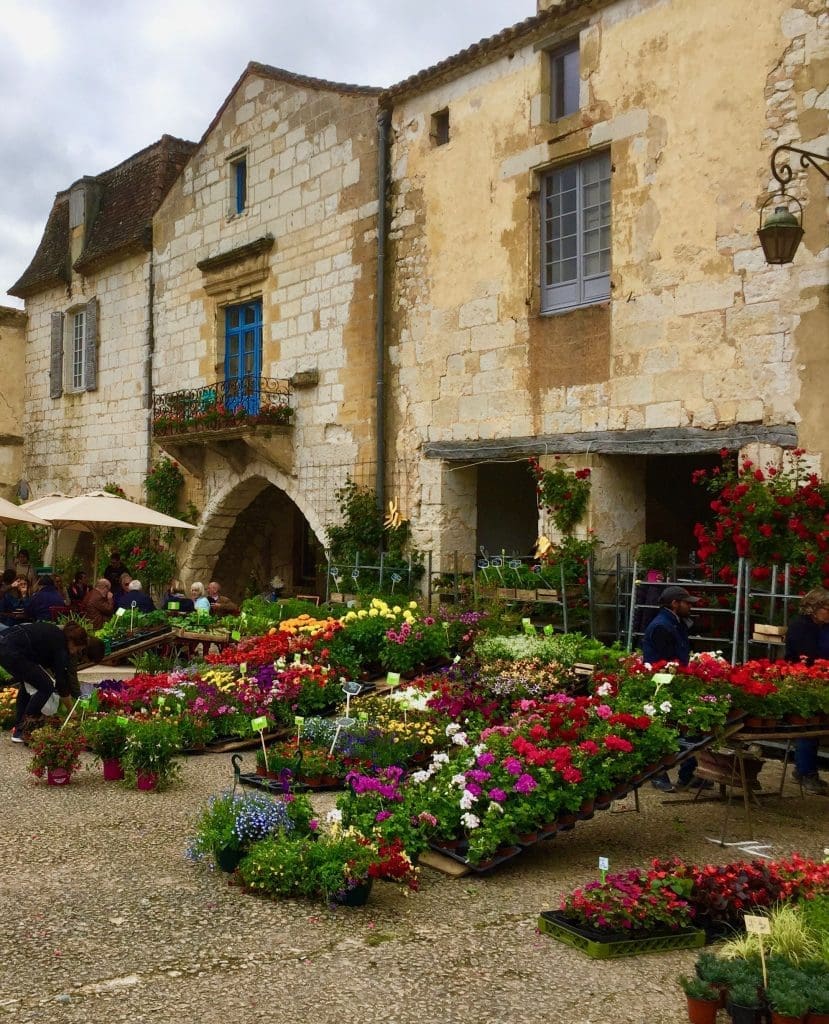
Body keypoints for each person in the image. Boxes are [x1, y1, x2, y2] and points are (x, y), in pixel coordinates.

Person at [642, 584, 712, 793]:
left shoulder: (674, 622)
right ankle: (659, 773)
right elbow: (666, 661)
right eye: (686, 603)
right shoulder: (663, 625)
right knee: (667, 728)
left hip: (676, 680)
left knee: (688, 727)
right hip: (664, 682)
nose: (689, 607)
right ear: (675, 603)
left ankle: (688, 773)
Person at [0, 621, 88, 741]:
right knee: (46, 687)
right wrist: (70, 710)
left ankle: (18, 729)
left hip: (5, 645)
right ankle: (24, 729)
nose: (75, 653)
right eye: (78, 649)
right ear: (72, 642)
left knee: (27, 685)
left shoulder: (55, 634)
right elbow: (61, 681)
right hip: (14, 652)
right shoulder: (61, 647)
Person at [783, 587, 829, 795]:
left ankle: (805, 769)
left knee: (816, 724)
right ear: (814, 608)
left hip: (822, 680)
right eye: (827, 608)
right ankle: (806, 771)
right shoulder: (800, 627)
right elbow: (808, 656)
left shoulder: (825, 627)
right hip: (804, 681)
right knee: (807, 725)